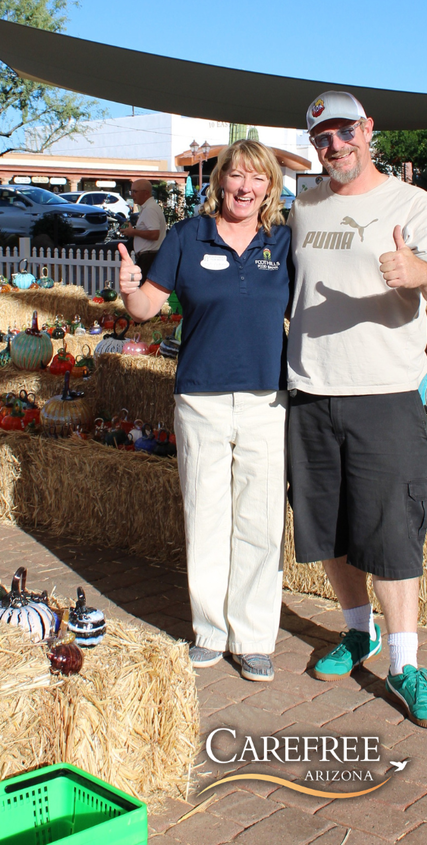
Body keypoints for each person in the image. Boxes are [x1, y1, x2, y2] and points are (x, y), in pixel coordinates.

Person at [287, 90, 427, 729]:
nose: (335, 146)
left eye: (344, 133)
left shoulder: (411, 203)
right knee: (328, 526)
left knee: (390, 530)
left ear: (368, 130)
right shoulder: (304, 207)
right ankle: (357, 632)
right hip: (310, 390)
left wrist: (418, 273)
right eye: (322, 138)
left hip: (384, 393)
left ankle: (406, 663)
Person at [117, 140, 291, 682]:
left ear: (269, 188)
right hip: (201, 398)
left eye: (256, 179)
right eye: (236, 176)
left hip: (267, 399)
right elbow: (147, 306)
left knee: (260, 521)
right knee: (208, 516)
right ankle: (211, 631)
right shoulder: (188, 236)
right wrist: (127, 289)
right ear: (219, 182)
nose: (245, 187)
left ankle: (255, 637)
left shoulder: (283, 242)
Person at [119, 179, 166, 282]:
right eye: (131, 191)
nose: (132, 195)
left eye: (135, 191)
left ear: (146, 193)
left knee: (145, 291)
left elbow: (154, 234)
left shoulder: (150, 209)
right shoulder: (149, 208)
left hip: (149, 257)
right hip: (149, 256)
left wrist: (133, 232)